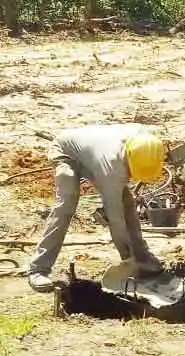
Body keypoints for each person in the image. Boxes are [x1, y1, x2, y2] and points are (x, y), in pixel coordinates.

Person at [27, 124, 167, 292]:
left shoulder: (147, 140)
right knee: (67, 203)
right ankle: (38, 269)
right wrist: (128, 261)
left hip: (93, 151)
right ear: (128, 158)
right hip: (66, 152)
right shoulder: (111, 168)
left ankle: (143, 258)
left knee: (128, 204)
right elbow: (115, 219)